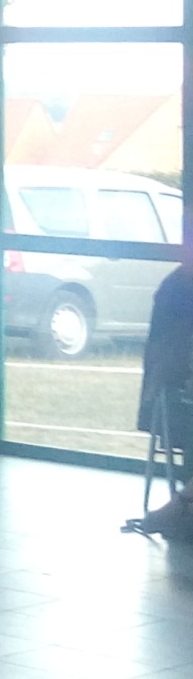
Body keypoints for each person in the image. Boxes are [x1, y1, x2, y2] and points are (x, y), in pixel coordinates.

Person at [136, 223, 191, 538]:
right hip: (177, 394)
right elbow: (169, 354)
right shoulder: (177, 288)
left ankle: (182, 506)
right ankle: (183, 506)